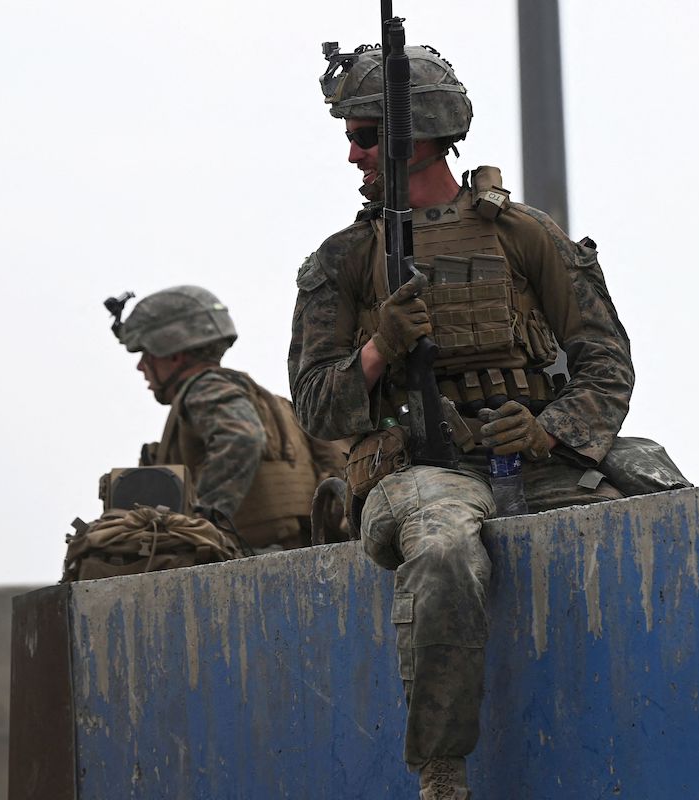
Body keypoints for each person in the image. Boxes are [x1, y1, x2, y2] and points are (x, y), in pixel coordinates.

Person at [289, 44, 637, 798]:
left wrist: (551, 430)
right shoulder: (343, 261)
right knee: (444, 553)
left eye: (367, 134)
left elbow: (606, 365)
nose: (353, 153)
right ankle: (443, 771)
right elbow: (316, 404)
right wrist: (382, 347)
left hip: (533, 467)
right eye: (351, 134)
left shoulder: (524, 235)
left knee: (650, 529)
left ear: (420, 134)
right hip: (418, 477)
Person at [114, 285, 342, 551]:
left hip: (246, 557)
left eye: (146, 354)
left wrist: (197, 525)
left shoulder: (206, 389)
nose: (141, 366)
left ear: (173, 354)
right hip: (291, 554)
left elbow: (242, 437)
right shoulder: (269, 402)